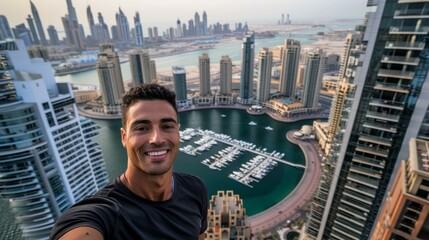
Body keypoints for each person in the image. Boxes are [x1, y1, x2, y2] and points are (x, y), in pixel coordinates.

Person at [50, 83, 208, 240]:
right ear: (124, 137)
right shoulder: (104, 213)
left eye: (167, 126)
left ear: (178, 133)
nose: (157, 139)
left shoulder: (195, 189)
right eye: (141, 128)